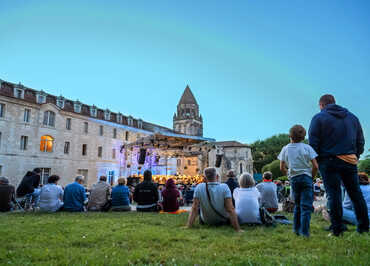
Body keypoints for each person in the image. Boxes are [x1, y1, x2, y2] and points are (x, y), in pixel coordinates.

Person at [309, 94, 369, 235]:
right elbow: (360, 141)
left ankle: (337, 229)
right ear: (334, 103)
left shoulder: (319, 118)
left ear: (321, 105)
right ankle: (364, 227)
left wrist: (318, 160)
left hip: (328, 160)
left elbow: (313, 143)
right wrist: (355, 155)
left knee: (334, 194)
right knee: (355, 194)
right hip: (349, 160)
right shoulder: (353, 118)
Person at [278, 125, 319, 237]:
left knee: (297, 205)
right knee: (306, 206)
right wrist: (312, 177)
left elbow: (281, 167)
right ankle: (305, 232)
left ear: (290, 136)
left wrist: (289, 175)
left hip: (294, 178)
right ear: (303, 136)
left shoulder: (285, 149)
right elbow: (315, 166)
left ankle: (296, 230)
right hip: (306, 177)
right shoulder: (307, 148)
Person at [186, 167, 242, 232]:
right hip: (223, 220)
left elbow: (194, 208)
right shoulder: (224, 187)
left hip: (206, 221)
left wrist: (188, 225)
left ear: (204, 178)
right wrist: (238, 229)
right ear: (217, 176)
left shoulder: (199, 187)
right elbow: (230, 208)